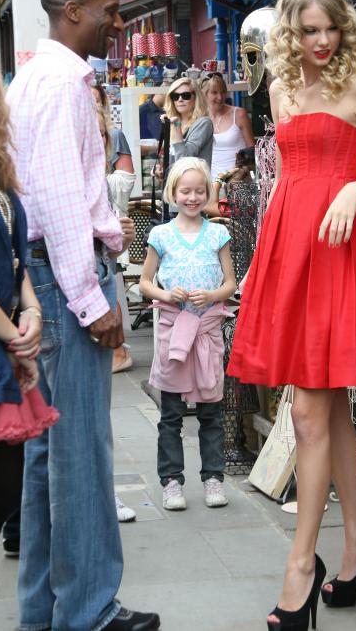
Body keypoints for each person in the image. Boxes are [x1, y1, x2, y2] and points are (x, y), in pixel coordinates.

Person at [226, 0, 356, 631]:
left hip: (342, 252)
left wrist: (354, 190)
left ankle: (300, 565)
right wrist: (270, 254)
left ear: (343, 25)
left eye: (329, 28)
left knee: (312, 411)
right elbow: (288, 175)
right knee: (329, 403)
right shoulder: (280, 88)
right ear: (290, 33)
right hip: (292, 249)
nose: (320, 41)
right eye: (307, 30)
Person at [6, 0, 160, 631]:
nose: (118, 22)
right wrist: (93, 304)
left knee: (48, 456)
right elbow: (61, 197)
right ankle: (89, 611)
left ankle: (46, 610)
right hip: (67, 275)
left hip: (47, 273)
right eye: (110, 10)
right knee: (78, 453)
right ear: (72, 11)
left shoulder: (39, 75)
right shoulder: (64, 79)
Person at [139, 157, 236, 511]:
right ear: (173, 193)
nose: (192, 198)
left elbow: (230, 284)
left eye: (199, 191)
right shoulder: (160, 235)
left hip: (207, 333)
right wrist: (166, 295)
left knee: (211, 411)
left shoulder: (218, 233)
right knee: (171, 414)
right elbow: (145, 282)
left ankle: (213, 478)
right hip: (173, 332)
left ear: (207, 192)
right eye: (185, 191)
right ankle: (171, 481)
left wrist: (211, 296)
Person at [0, 65, 59, 547]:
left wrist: (32, 311)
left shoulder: (2, 178)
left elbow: (15, 261)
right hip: (4, 345)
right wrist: (17, 336)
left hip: (6, 347)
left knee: (7, 490)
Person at [93, 86, 136, 376]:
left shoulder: (115, 134)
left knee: (108, 276)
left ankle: (118, 349)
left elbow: (127, 176)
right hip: (97, 221)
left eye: (96, 99)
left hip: (108, 218)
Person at [201, 72, 254, 178]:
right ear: (204, 94)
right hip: (211, 181)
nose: (220, 97)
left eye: (223, 92)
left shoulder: (239, 114)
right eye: (214, 92)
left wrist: (245, 168)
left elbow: (253, 150)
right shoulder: (200, 118)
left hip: (240, 180)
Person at [160, 77, 214, 169]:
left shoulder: (203, 123)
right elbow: (173, 157)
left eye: (186, 95)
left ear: (196, 98)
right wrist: (160, 168)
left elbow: (184, 159)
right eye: (175, 96)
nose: (180, 99)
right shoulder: (173, 122)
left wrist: (177, 126)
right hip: (174, 181)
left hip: (194, 182)